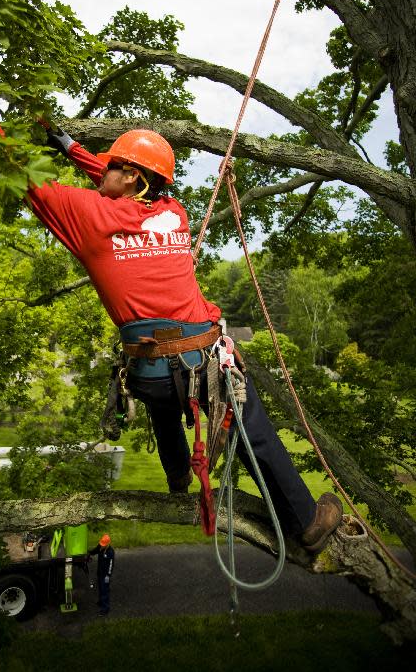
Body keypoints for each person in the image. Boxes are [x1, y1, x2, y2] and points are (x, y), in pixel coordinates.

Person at [27, 127, 342, 554]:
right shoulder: (173, 211)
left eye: (113, 166)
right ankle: (306, 520)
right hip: (202, 365)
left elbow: (20, 172)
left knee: (162, 393)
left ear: (134, 179)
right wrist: (70, 147)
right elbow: (112, 171)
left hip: (150, 375)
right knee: (252, 432)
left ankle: (177, 474)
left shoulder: (86, 214)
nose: (102, 170)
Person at [89, 533, 115, 615]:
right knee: (100, 588)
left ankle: (105, 609)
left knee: (105, 591)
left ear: (108, 544)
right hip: (100, 572)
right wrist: (89, 553)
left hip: (105, 575)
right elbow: (95, 550)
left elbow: (111, 565)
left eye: (103, 545)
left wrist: (108, 575)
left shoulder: (110, 552)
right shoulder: (100, 546)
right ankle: (100, 602)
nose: (101, 546)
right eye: (101, 544)